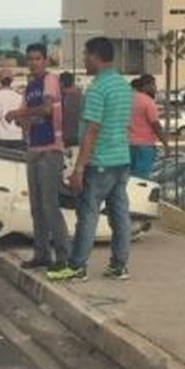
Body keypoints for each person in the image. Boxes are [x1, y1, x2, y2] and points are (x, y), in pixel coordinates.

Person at [48, 37, 133, 282]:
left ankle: (77, 266)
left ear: (96, 56)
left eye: (86, 55)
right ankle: (119, 265)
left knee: (88, 214)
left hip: (100, 161)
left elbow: (91, 131)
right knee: (120, 214)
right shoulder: (123, 86)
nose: (84, 60)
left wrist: (79, 168)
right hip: (121, 159)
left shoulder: (97, 88)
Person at [5, 43, 70, 271]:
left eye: (37, 58)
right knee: (37, 207)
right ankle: (42, 253)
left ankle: (63, 255)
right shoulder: (30, 87)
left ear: (45, 60)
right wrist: (21, 119)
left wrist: (19, 113)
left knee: (50, 205)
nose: (33, 62)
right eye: (30, 59)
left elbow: (46, 109)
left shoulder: (50, 81)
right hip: (34, 148)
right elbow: (29, 116)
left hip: (51, 149)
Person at [129, 74, 169, 179]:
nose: (155, 88)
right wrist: (165, 143)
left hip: (127, 144)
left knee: (128, 178)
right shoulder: (148, 102)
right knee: (140, 179)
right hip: (144, 146)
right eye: (153, 85)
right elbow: (156, 125)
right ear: (146, 86)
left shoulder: (128, 99)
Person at [59, 72, 82, 148]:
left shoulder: (61, 98)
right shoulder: (82, 96)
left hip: (65, 137)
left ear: (61, 83)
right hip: (80, 136)